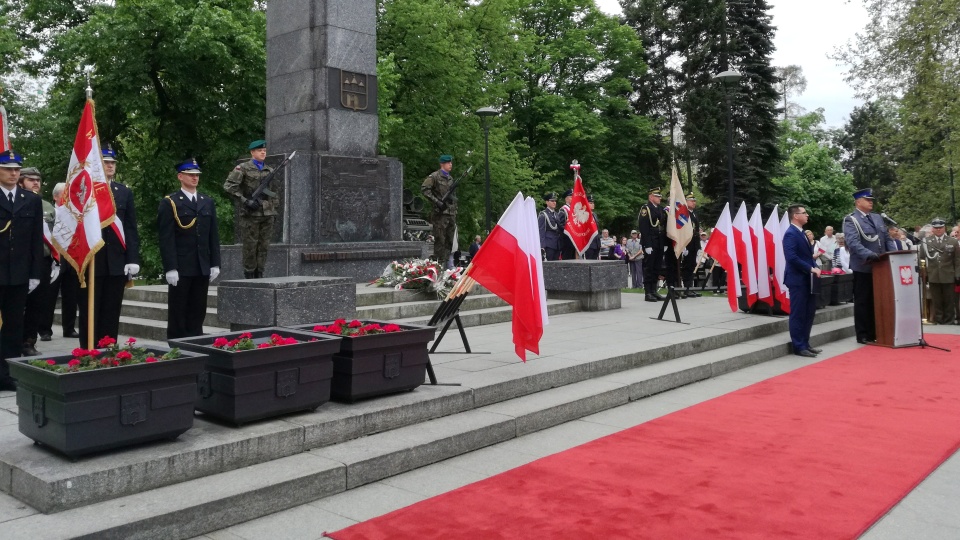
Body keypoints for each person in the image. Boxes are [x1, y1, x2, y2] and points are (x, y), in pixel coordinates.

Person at [77, 145, 140, 349]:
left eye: (113, 162)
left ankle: (108, 352)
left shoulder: (123, 192)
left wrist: (132, 259)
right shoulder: (85, 190)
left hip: (116, 262)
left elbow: (130, 228)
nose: (110, 166)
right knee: (89, 312)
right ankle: (88, 353)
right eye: (106, 162)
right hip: (92, 260)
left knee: (112, 312)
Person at [158, 159, 221, 339]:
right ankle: (177, 347)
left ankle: (196, 342)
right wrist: (170, 267)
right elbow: (166, 238)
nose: (195, 178)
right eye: (190, 174)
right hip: (181, 266)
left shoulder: (206, 202)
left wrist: (215, 263)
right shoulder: (170, 202)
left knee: (197, 309)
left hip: (202, 265)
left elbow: (212, 236)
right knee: (179, 309)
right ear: (180, 177)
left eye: (197, 175)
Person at [0, 151, 44, 390]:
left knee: (14, 326)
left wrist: (35, 273)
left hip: (19, 273)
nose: (13, 173)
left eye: (16, 169)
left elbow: (36, 240)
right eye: (8, 169)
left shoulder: (31, 200)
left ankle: (7, 374)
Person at [842, 188, 893, 344]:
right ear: (858, 202)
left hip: (881, 267)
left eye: (872, 200)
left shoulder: (877, 218)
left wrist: (894, 254)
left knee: (879, 299)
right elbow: (853, 243)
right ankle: (863, 334)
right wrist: (870, 255)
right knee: (864, 301)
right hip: (864, 266)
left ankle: (877, 331)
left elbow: (887, 239)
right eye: (868, 199)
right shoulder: (851, 219)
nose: (871, 202)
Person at [18, 168, 59, 355]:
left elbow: (55, 234)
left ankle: (29, 341)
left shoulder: (48, 206)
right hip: (19, 260)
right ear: (21, 182)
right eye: (30, 180)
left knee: (37, 303)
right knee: (17, 304)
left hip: (42, 259)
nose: (35, 183)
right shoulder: (15, 202)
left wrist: (55, 259)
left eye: (38, 180)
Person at [224, 139, 276, 279]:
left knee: (263, 246)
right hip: (250, 213)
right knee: (250, 247)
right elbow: (229, 187)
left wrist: (273, 207)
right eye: (260, 150)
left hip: (267, 213)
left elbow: (273, 192)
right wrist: (245, 201)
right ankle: (249, 275)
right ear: (252, 152)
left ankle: (260, 273)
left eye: (264, 151)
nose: (263, 152)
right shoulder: (243, 168)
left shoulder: (269, 170)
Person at [783, 205, 822, 357]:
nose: (807, 215)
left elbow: (806, 256)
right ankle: (798, 346)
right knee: (798, 313)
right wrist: (811, 269)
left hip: (808, 278)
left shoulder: (802, 233)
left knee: (809, 312)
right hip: (797, 279)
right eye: (804, 213)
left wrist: (815, 267)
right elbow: (792, 258)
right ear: (795, 216)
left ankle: (805, 343)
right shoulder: (790, 234)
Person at [48, 182, 80, 338]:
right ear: (55, 197)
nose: (68, 198)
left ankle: (69, 328)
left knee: (71, 295)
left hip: (71, 258)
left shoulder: (74, 215)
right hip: (55, 258)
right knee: (50, 295)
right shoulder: (49, 213)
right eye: (64, 195)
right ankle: (45, 329)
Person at [421, 155, 458, 268]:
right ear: (442, 164)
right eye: (448, 163)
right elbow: (425, 189)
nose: (450, 164)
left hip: (450, 214)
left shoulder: (450, 179)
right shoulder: (434, 177)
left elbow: (453, 196)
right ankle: (438, 266)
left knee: (449, 241)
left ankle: (447, 264)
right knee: (440, 241)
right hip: (440, 215)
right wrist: (437, 202)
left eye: (451, 162)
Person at [921, 218, 960, 325]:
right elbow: (922, 259)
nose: (938, 230)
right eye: (936, 228)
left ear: (944, 228)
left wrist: (958, 274)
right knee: (937, 300)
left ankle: (949, 321)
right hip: (933, 275)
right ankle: (939, 320)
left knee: (949, 300)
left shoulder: (953, 241)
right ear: (933, 229)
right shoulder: (926, 242)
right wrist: (924, 274)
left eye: (940, 227)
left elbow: (957, 260)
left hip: (948, 274)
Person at [638, 187, 666, 302]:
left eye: (660, 196)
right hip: (651, 242)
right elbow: (644, 228)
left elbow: (663, 227)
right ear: (651, 197)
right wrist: (647, 244)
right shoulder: (646, 209)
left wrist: (664, 243)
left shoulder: (660, 209)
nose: (660, 198)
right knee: (649, 267)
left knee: (656, 268)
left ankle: (654, 290)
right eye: (657, 196)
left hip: (659, 242)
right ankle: (648, 292)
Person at [680, 193, 702, 297]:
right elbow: (682, 230)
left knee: (693, 267)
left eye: (694, 201)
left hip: (694, 244)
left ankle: (690, 287)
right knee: (687, 267)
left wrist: (698, 247)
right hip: (687, 244)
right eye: (692, 201)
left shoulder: (694, 214)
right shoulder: (684, 213)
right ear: (686, 202)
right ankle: (686, 288)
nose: (694, 203)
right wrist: (683, 245)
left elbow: (696, 231)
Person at [538, 192, 564, 261]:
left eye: (555, 201)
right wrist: (542, 246)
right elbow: (541, 231)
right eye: (552, 201)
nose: (554, 202)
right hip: (548, 244)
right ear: (547, 202)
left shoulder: (556, 214)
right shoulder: (543, 215)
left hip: (557, 244)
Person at [558, 189, 576, 260]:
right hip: (566, 238)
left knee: (573, 258)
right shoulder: (563, 210)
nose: (573, 198)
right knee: (567, 258)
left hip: (574, 237)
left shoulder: (574, 209)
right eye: (571, 197)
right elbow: (561, 225)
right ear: (566, 198)